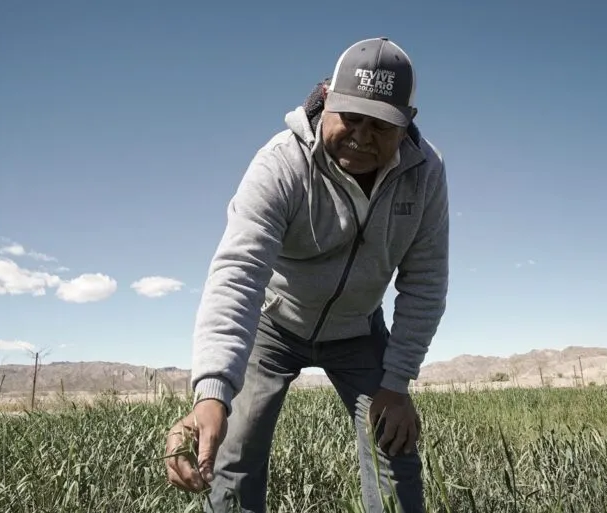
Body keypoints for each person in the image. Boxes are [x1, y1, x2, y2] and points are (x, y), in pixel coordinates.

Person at [165, 37, 450, 513]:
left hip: (359, 330)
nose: (361, 135)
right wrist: (212, 391)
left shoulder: (425, 175)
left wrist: (397, 383)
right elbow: (239, 272)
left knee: (395, 453)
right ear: (326, 100)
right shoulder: (283, 163)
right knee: (233, 458)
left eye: (381, 125)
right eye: (351, 117)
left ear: (407, 126)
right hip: (273, 327)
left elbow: (425, 280)